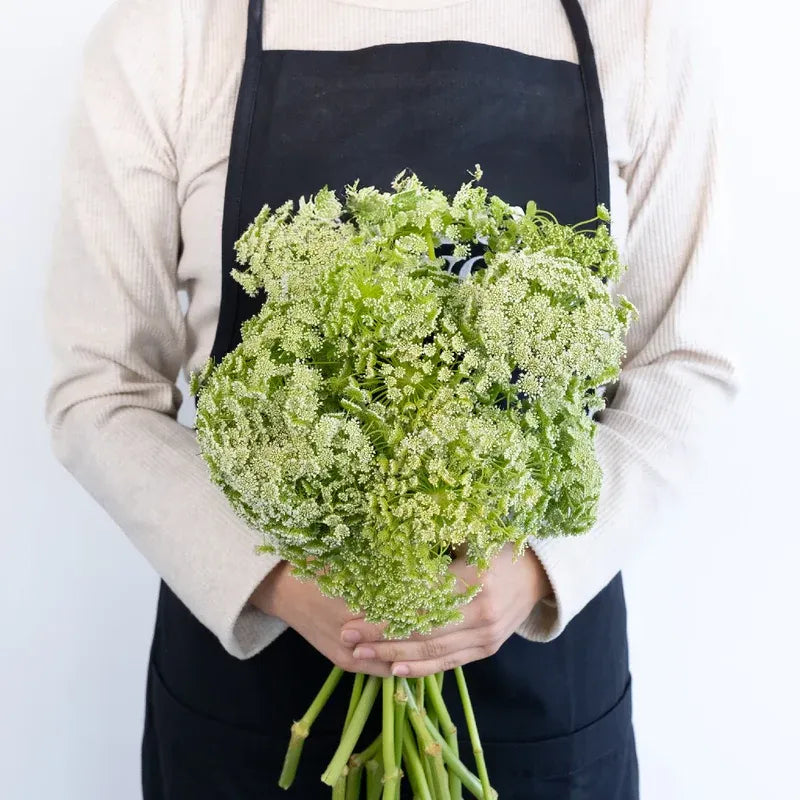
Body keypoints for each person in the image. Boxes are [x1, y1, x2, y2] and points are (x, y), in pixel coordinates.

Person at [44, 0, 738, 797]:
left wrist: (541, 568)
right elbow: (103, 387)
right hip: (251, 686)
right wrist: (272, 578)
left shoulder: (639, 29)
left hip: (538, 692)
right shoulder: (171, 34)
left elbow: (685, 363)